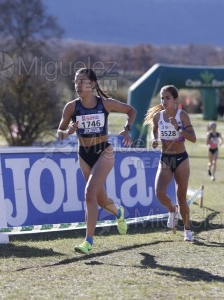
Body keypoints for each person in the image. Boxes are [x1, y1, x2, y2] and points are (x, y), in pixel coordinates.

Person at [57, 68, 137, 254]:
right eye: (76, 81)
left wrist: (127, 129)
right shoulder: (71, 107)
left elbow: (131, 110)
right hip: (84, 154)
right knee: (100, 201)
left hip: (104, 152)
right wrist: (67, 132)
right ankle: (118, 213)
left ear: (92, 84)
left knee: (88, 194)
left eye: (82, 81)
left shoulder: (105, 104)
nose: (78, 85)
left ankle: (88, 242)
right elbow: (58, 134)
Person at [144, 85, 197, 241]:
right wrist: (154, 140)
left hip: (181, 159)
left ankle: (187, 230)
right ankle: (171, 210)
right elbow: (154, 130)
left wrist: (178, 129)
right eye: (162, 98)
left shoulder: (183, 116)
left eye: (167, 98)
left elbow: (193, 138)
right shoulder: (158, 117)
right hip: (165, 158)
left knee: (181, 198)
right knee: (159, 193)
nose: (164, 101)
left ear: (175, 100)